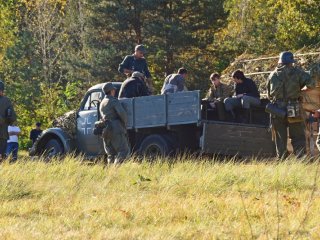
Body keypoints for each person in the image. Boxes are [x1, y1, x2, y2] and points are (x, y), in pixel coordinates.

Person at [267, 51, 315, 159]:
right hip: (294, 108)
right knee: (298, 137)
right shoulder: (297, 72)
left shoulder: (272, 74)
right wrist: (301, 90)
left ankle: (281, 160)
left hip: (277, 110)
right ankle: (301, 160)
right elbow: (311, 84)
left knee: (280, 138)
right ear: (291, 62)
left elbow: (269, 95)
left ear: (280, 61)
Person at [100, 82, 130, 164]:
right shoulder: (113, 101)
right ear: (111, 91)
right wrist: (125, 124)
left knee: (110, 154)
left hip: (106, 130)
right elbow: (122, 114)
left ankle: (111, 173)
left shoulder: (102, 103)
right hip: (115, 128)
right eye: (113, 90)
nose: (114, 91)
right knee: (123, 151)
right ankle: (116, 169)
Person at [0, 80, 17, 160]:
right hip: (2, 134)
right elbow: (12, 118)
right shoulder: (6, 101)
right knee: (2, 155)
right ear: (2, 90)